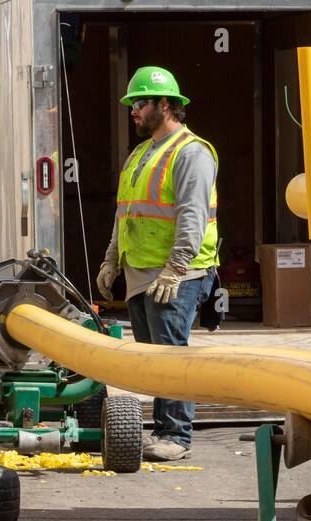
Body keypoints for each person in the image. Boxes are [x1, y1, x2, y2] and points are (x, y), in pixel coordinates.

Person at [96, 66, 219, 462]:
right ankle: (164, 429)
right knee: (152, 359)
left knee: (171, 355)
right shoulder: (142, 152)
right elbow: (125, 211)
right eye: (133, 103)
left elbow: (192, 217)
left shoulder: (192, 153)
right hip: (142, 271)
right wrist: (111, 259)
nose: (133, 110)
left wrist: (176, 269)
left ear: (165, 105)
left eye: (141, 102)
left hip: (177, 274)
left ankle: (176, 436)